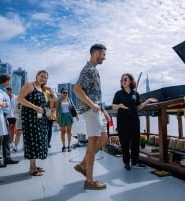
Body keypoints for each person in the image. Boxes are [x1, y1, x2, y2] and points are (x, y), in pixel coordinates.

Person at [73, 44, 111, 190]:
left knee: (104, 139)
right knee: (92, 143)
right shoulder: (88, 70)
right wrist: (92, 105)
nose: (105, 58)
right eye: (103, 54)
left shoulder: (93, 70)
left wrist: (102, 110)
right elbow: (76, 89)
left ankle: (83, 165)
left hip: (96, 111)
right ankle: (89, 180)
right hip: (90, 111)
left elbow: (94, 94)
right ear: (96, 53)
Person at [112, 73, 158, 170]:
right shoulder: (118, 94)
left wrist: (147, 101)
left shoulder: (135, 94)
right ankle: (126, 162)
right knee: (124, 143)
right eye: (121, 80)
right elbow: (113, 106)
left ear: (130, 81)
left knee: (135, 142)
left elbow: (138, 107)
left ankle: (135, 162)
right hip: (122, 122)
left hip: (134, 121)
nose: (123, 81)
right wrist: (120, 106)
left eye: (125, 79)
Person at [17, 70, 49, 176]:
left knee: (38, 141)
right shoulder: (30, 85)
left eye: (45, 77)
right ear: (37, 76)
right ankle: (32, 168)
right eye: (41, 76)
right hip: (30, 118)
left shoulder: (42, 89)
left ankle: (34, 165)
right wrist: (34, 107)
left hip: (40, 119)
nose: (43, 79)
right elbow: (20, 99)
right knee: (32, 141)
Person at [0, 74, 19, 168]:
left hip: (5, 116)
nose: (10, 83)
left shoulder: (4, 91)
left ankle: (7, 157)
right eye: (9, 81)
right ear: (5, 81)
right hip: (0, 115)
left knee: (6, 138)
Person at [57, 88, 79, 152]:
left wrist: (77, 115)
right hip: (62, 116)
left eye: (66, 92)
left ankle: (69, 146)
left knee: (69, 131)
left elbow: (73, 107)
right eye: (64, 92)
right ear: (61, 93)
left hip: (69, 116)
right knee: (63, 132)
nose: (65, 94)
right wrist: (57, 118)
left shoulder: (69, 99)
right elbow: (57, 110)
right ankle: (64, 146)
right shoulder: (59, 100)